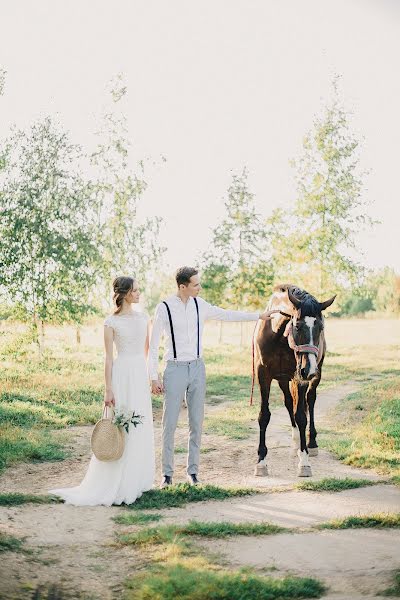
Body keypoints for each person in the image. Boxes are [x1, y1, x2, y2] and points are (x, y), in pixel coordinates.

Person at [149, 266, 277, 488]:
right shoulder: (164, 308)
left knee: (196, 423)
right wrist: (153, 377)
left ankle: (192, 473)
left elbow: (227, 314)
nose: (200, 287)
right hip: (174, 368)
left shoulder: (201, 305)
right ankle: (167, 475)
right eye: (196, 284)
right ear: (183, 286)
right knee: (169, 424)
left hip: (198, 368)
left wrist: (258, 316)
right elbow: (152, 346)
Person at [49, 276, 155, 506]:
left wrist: (149, 376)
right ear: (126, 294)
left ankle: (138, 480)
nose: (139, 294)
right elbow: (108, 358)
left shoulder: (144, 318)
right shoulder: (110, 322)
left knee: (140, 424)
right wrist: (108, 389)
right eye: (136, 291)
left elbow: (147, 353)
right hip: (121, 374)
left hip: (138, 375)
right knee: (120, 426)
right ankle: (117, 482)